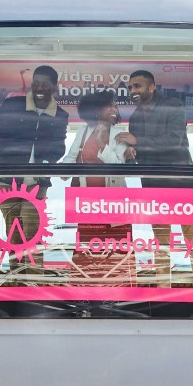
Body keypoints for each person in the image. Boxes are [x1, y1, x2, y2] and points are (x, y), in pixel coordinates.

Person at [115, 69, 193, 284]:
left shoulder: (172, 105)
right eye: (130, 87)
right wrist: (130, 154)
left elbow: (174, 141)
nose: (133, 90)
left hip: (180, 182)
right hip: (153, 184)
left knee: (192, 236)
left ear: (152, 86)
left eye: (137, 86)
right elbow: (138, 152)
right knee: (160, 240)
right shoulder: (135, 117)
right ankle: (162, 288)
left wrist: (137, 142)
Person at [0, 64, 69, 263]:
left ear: (54, 87)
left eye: (45, 84)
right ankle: (16, 281)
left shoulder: (60, 115)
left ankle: (33, 280)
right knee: (14, 231)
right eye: (36, 83)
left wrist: (47, 163)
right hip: (6, 180)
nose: (39, 88)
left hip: (36, 182)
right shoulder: (13, 105)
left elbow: (58, 146)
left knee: (32, 231)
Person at [61, 91, 134, 282]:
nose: (114, 109)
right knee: (88, 254)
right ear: (95, 110)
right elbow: (69, 160)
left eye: (115, 105)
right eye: (108, 105)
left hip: (115, 206)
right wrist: (62, 170)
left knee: (118, 253)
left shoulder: (121, 134)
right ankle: (88, 300)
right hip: (89, 205)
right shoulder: (82, 132)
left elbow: (118, 168)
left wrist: (102, 144)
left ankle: (120, 301)